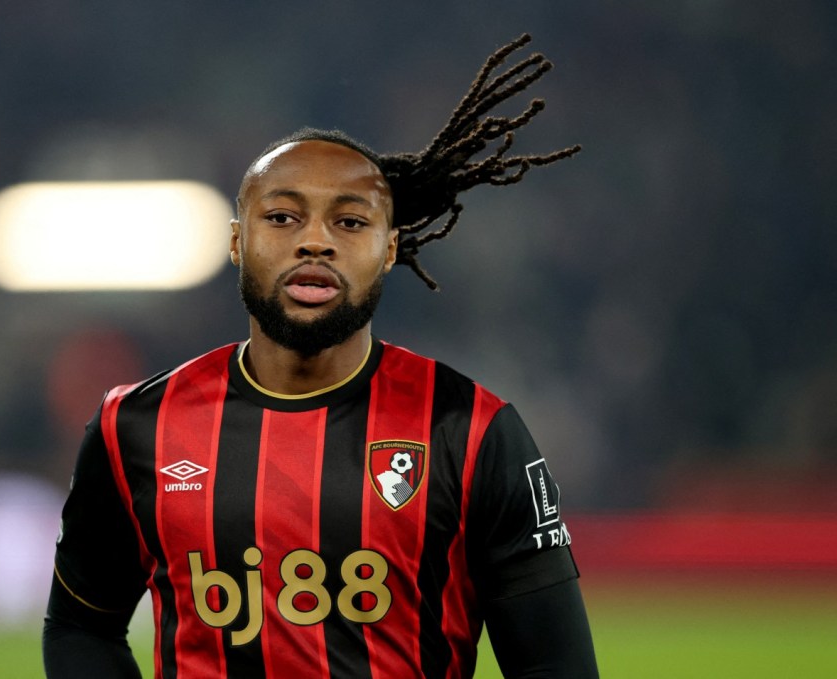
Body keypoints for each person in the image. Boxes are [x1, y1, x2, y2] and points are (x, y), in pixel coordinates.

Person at [43, 34, 598, 678]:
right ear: (236, 241)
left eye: (350, 222)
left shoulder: (472, 431)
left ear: (390, 249)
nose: (315, 241)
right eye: (281, 218)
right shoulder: (136, 426)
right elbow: (83, 623)